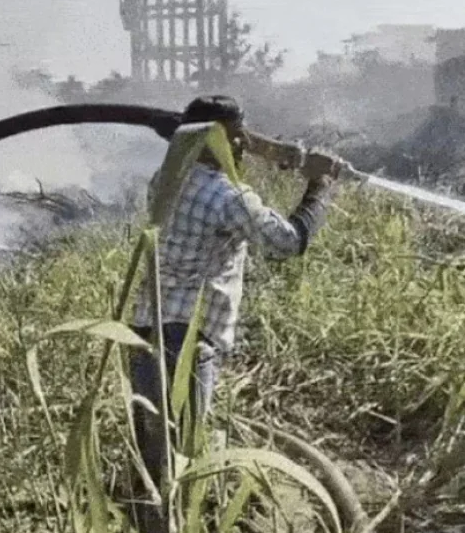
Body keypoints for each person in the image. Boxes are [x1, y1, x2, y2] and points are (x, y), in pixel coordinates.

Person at [128, 95, 339, 531]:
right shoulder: (228, 196)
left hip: (144, 332)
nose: (242, 148)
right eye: (236, 140)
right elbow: (288, 243)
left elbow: (220, 159)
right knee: (180, 460)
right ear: (216, 140)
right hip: (187, 340)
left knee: (150, 456)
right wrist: (319, 186)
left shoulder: (164, 180)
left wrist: (280, 155)